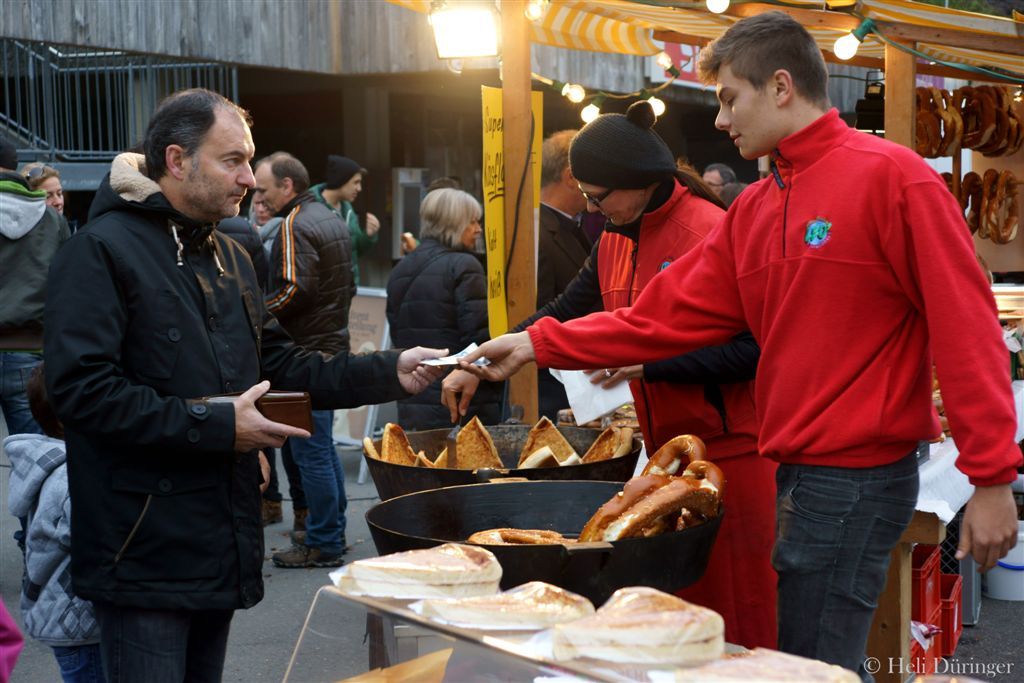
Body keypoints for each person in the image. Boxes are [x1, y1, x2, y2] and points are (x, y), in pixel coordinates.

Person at [460, 12, 1021, 678]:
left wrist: (992, 477)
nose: (721, 120)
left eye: (730, 99)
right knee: (807, 660)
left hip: (858, 475)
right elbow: (660, 316)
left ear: (781, 86)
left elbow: (968, 328)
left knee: (811, 663)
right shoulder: (758, 206)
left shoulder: (894, 177)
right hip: (800, 473)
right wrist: (535, 341)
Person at [43, 88, 445, 682]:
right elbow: (82, 392)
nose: (249, 180)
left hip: (218, 540)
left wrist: (390, 370)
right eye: (232, 160)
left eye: (249, 161)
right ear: (176, 160)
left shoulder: (230, 255)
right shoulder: (98, 252)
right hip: (140, 551)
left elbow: (284, 366)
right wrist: (218, 424)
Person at [443, 103, 775, 649]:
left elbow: (753, 350)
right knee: (681, 614)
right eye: (587, 196)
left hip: (734, 450)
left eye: (599, 197)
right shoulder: (615, 235)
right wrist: (479, 360)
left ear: (640, 182)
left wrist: (653, 364)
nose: (592, 209)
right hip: (666, 456)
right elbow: (565, 310)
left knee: (739, 612)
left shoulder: (708, 230)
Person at [256, 151, 361, 567]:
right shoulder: (329, 217)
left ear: (287, 186)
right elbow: (345, 285)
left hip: (305, 352)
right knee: (322, 447)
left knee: (311, 451)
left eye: (264, 189)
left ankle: (324, 540)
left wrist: (254, 315)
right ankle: (331, 531)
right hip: (329, 345)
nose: (259, 197)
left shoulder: (295, 222)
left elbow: (293, 289)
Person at [6, 364, 104, 683]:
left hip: (61, 615)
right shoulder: (73, 477)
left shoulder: (53, 461)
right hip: (80, 624)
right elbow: (96, 538)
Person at [387, 188, 502, 429]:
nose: (478, 229)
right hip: (459, 398)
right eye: (472, 221)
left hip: (414, 395)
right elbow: (479, 341)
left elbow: (396, 333)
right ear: (454, 223)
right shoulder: (464, 265)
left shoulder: (400, 269)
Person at [0, 137, 68, 438]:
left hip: (30, 350)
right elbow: (69, 288)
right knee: (36, 451)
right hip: (30, 350)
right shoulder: (53, 220)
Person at [533, 130, 594, 419]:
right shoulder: (535, 234)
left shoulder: (568, 226)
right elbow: (544, 311)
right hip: (554, 392)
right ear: (571, 177)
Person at [310, 154, 379, 285]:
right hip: (326, 291)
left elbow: (353, 252)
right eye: (356, 182)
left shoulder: (347, 208)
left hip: (348, 289)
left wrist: (368, 236)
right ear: (341, 180)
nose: (359, 188)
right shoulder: (311, 208)